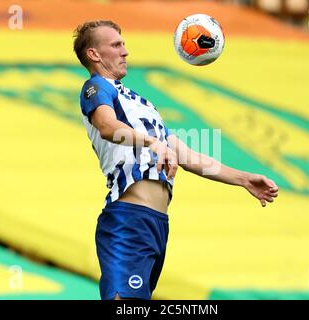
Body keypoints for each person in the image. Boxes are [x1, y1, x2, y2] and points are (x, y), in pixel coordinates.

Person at [73, 20, 279, 300]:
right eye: (116, 45)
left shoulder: (142, 104)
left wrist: (242, 179)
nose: (125, 51)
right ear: (94, 55)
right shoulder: (96, 88)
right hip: (127, 221)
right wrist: (153, 143)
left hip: (156, 225)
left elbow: (184, 155)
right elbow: (108, 127)